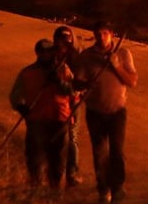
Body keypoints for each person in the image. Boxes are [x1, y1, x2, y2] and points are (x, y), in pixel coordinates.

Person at [72, 21, 138, 203]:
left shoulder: (123, 54)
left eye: (105, 33)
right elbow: (76, 83)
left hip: (117, 111)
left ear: (112, 34)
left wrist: (116, 65)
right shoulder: (86, 56)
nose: (101, 37)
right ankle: (103, 189)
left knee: (117, 151)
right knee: (100, 152)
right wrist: (85, 84)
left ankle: (117, 187)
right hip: (95, 112)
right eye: (98, 33)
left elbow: (132, 82)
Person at [9, 38, 74, 193]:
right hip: (36, 121)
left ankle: (55, 193)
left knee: (57, 162)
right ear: (38, 53)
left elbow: (73, 92)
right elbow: (14, 96)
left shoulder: (63, 70)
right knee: (35, 161)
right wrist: (21, 107)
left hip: (59, 121)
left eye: (50, 51)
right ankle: (35, 192)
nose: (47, 54)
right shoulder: (27, 72)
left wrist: (60, 82)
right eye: (43, 51)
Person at [52, 25, 83, 187]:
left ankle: (72, 173)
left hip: (73, 101)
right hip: (55, 102)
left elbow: (81, 77)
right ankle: (56, 173)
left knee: (72, 138)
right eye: (60, 39)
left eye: (66, 39)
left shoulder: (76, 56)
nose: (63, 43)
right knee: (56, 137)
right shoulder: (51, 56)